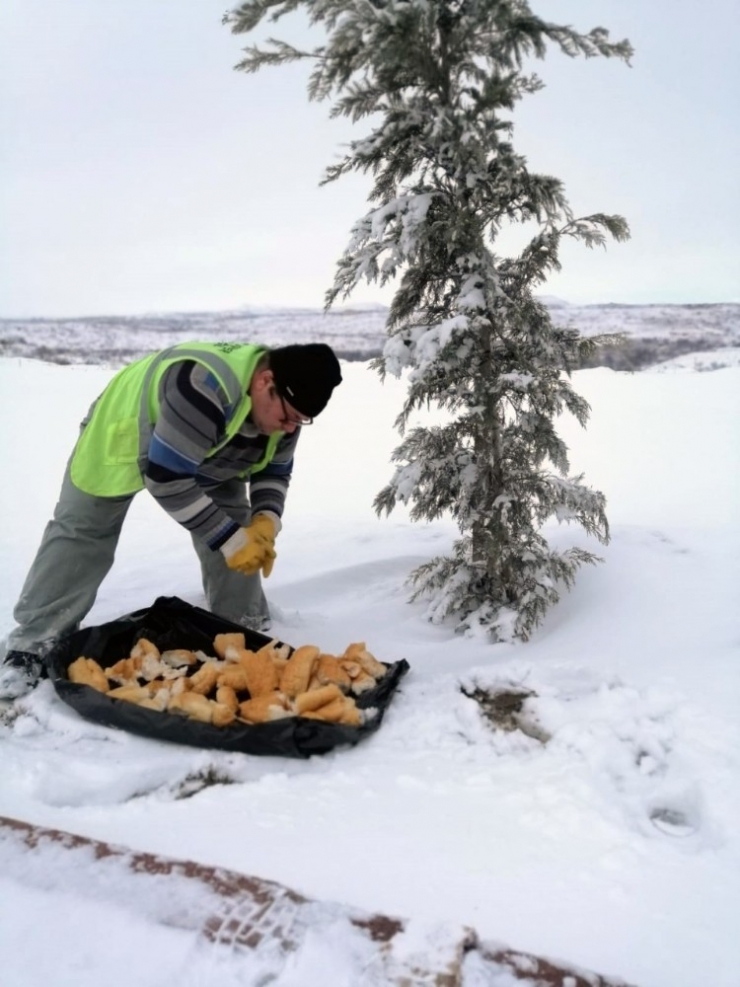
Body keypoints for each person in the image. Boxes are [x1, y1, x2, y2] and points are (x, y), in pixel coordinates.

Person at [0, 340, 342, 700]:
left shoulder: (287, 406)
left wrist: (266, 521)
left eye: (300, 421)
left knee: (236, 528)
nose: (290, 429)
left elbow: (275, 468)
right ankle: (33, 644)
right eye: (288, 416)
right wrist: (230, 539)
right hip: (127, 429)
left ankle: (243, 626)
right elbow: (166, 478)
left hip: (212, 446)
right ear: (264, 381)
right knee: (83, 531)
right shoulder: (202, 386)